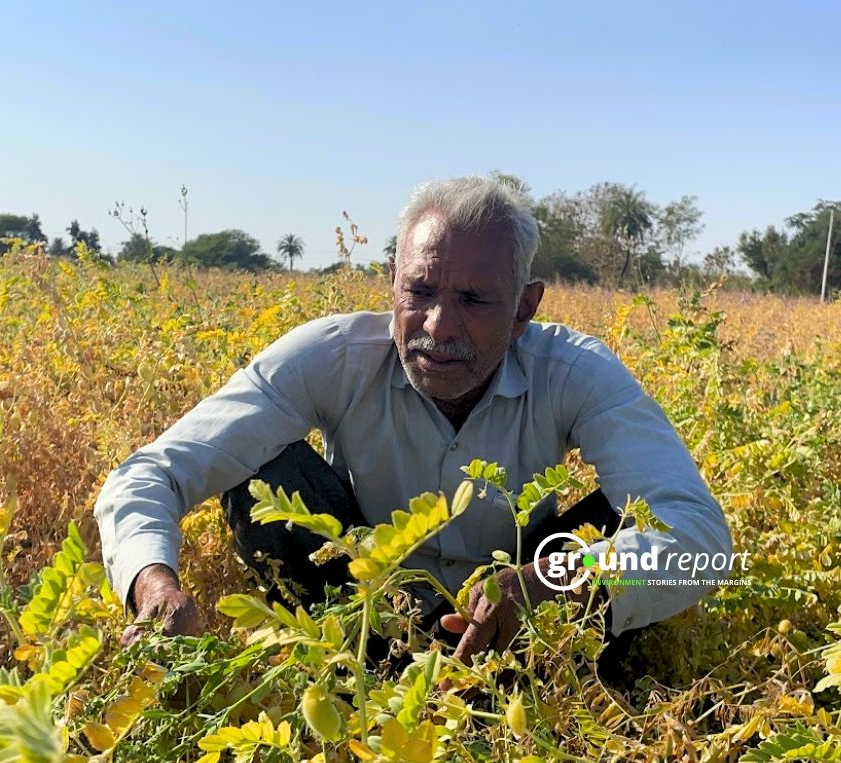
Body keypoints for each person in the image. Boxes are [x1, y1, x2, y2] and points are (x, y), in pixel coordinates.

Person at [94, 175, 731, 672]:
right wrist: (154, 590)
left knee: (627, 526)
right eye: (420, 292)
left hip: (526, 631)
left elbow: (703, 544)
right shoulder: (331, 356)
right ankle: (354, 675)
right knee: (260, 470)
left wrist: (554, 581)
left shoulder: (575, 372)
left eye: (475, 301)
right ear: (390, 284)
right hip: (357, 616)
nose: (438, 326)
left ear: (523, 309)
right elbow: (151, 474)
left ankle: (544, 679)